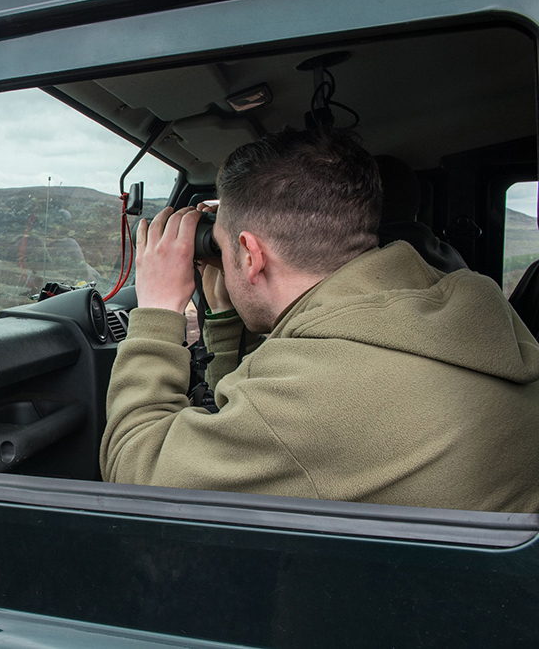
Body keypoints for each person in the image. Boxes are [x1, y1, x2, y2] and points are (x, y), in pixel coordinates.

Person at [100, 128, 539, 512]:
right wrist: (227, 318)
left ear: (251, 255)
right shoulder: (471, 299)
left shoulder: (311, 395)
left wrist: (156, 312)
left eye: (221, 246)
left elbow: (136, 470)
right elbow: (249, 411)